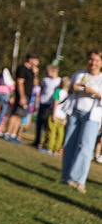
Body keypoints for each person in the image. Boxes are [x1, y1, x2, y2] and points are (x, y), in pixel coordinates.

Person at [60, 50, 102, 192]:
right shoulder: (79, 74)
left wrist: (94, 93)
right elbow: (69, 91)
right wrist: (73, 88)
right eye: (91, 59)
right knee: (69, 143)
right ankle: (66, 177)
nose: (93, 63)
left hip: (92, 115)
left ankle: (79, 180)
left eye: (96, 60)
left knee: (85, 146)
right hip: (75, 112)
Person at [1, 54, 40, 143]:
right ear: (30, 59)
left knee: (20, 116)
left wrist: (36, 74)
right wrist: (21, 97)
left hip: (28, 95)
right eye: (36, 60)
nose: (37, 63)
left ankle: (13, 135)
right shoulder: (22, 68)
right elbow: (20, 82)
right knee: (15, 114)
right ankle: (7, 133)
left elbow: (35, 84)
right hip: (22, 95)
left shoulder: (31, 71)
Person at [32, 63, 62, 150]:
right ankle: (37, 141)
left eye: (50, 71)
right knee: (39, 123)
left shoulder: (59, 81)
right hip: (43, 102)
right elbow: (40, 89)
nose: (48, 72)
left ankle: (46, 142)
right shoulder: (45, 79)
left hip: (51, 105)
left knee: (47, 125)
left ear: (55, 71)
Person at [44, 77, 71, 155]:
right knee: (60, 134)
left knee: (51, 131)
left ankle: (49, 148)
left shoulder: (58, 91)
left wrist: (54, 114)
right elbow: (68, 107)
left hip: (56, 114)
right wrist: (66, 119)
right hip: (63, 116)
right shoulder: (69, 94)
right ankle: (56, 150)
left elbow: (56, 103)